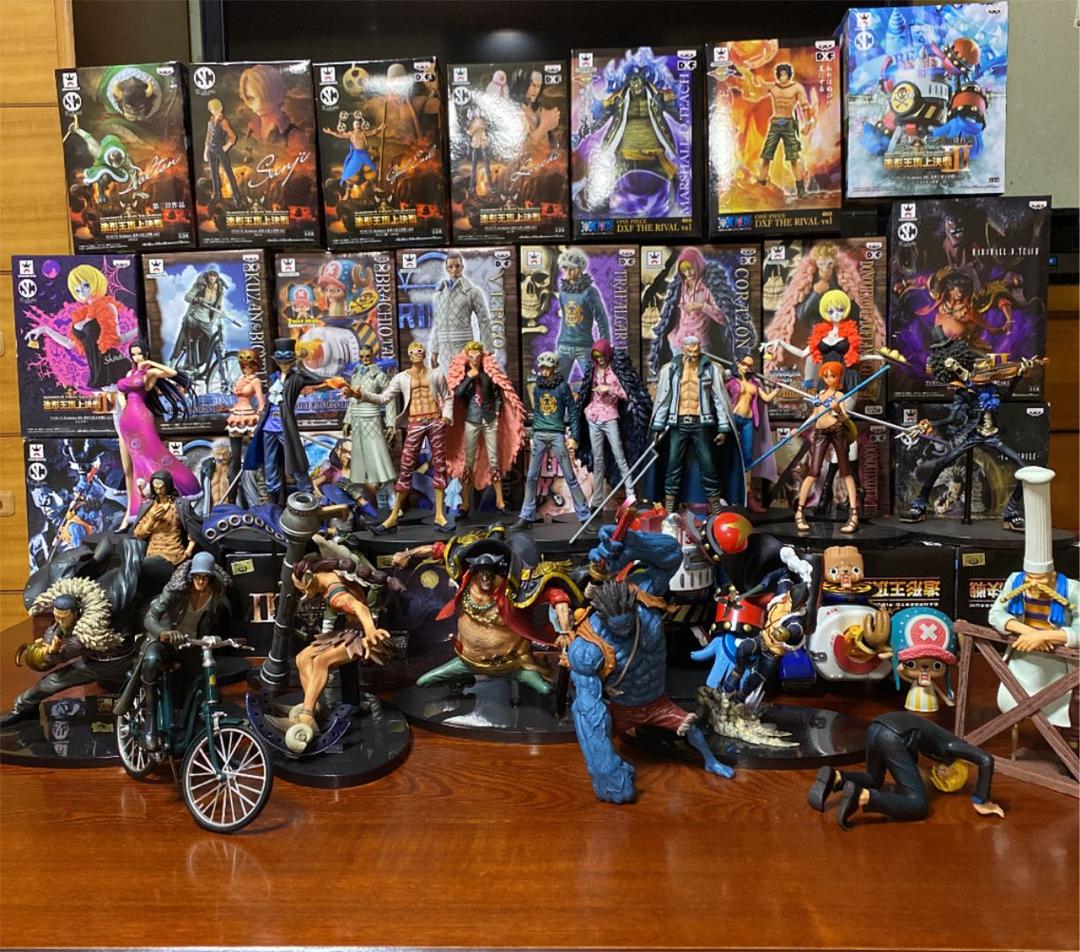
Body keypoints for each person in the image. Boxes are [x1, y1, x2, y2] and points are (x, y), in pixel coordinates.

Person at [807, 712, 1004, 828]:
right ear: (956, 764)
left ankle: (836, 777)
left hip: (876, 726)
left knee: (874, 778)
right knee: (918, 805)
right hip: (893, 735)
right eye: (951, 775)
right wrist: (981, 800)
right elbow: (986, 759)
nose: (943, 775)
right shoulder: (952, 746)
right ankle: (863, 796)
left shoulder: (940, 740)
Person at [1, 578, 134, 727]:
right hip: (94, 661)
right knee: (48, 683)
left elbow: (62, 655)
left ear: (76, 613)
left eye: (63, 617)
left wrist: (49, 652)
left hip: (120, 663)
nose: (59, 620)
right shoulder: (72, 618)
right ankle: (22, 709)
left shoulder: (90, 629)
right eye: (56, 616)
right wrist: (50, 641)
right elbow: (56, 628)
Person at [137, 552, 231, 750]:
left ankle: (201, 726)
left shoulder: (217, 592)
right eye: (197, 576)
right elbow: (150, 618)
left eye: (205, 577)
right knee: (151, 663)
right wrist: (162, 633)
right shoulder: (176, 589)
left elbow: (210, 621)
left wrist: (211, 637)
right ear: (191, 575)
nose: (201, 581)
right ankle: (150, 722)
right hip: (164, 639)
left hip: (190, 642)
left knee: (205, 681)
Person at [356, 340, 452, 532]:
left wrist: (446, 416)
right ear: (409, 355)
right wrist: (362, 395)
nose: (416, 353)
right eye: (412, 351)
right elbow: (384, 398)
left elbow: (447, 396)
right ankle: (393, 516)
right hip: (415, 422)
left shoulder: (435, 374)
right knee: (406, 466)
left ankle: (439, 515)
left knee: (440, 466)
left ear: (424, 353)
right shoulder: (402, 378)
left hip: (434, 420)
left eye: (420, 350)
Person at [244, 338, 346, 506]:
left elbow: (316, 379)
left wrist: (301, 364)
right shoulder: (272, 378)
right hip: (268, 426)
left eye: (287, 360)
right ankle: (274, 505)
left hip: (285, 427)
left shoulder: (297, 378)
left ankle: (307, 495)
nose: (284, 364)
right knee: (269, 466)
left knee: (296, 461)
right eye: (281, 360)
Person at [649, 336, 744, 514]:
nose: (693, 355)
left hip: (701, 423)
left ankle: (715, 506)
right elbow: (664, 398)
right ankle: (670, 508)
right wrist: (658, 425)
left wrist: (723, 428)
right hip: (677, 423)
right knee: (673, 465)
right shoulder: (671, 369)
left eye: (696, 351)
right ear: (683, 349)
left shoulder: (711, 369)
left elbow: (719, 399)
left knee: (708, 464)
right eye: (690, 351)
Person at [115, 341, 199, 520]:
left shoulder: (150, 373)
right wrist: (124, 407)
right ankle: (141, 504)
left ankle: (179, 486)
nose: (137, 357)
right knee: (137, 460)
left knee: (155, 454)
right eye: (133, 354)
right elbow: (121, 392)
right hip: (127, 419)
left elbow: (172, 373)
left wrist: (151, 363)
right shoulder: (130, 373)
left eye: (140, 353)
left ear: (145, 354)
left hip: (141, 417)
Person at [511, 351, 590, 532]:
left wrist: (574, 437)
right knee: (531, 476)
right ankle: (526, 515)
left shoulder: (562, 387)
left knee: (570, 476)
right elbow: (538, 411)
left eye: (548, 368)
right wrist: (534, 432)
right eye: (543, 368)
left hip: (557, 434)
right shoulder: (538, 387)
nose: (545, 371)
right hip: (540, 434)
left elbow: (573, 412)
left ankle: (584, 516)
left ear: (554, 367)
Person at [445, 341, 524, 515]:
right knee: (469, 460)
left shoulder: (488, 374)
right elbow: (458, 394)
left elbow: (497, 395)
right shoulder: (465, 375)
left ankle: (500, 502)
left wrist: (496, 412)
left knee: (494, 459)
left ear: (482, 356)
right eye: (471, 356)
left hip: (489, 419)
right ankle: (465, 503)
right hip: (472, 419)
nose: (474, 359)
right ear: (467, 357)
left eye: (477, 356)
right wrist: (469, 377)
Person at [792, 361, 859, 535]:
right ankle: (799, 512)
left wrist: (838, 410)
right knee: (813, 472)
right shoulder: (820, 395)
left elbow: (844, 419)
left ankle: (854, 515)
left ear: (839, 377)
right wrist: (799, 429)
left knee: (845, 472)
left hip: (837, 431)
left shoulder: (840, 395)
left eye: (833, 376)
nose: (829, 379)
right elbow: (814, 415)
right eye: (826, 376)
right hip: (820, 433)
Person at [738, 62, 814, 197]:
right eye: (780, 74)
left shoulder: (797, 88)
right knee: (767, 155)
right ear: (777, 75)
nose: (782, 77)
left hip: (789, 124)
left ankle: (801, 190)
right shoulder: (772, 87)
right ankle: (761, 184)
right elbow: (756, 92)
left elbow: (805, 106)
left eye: (785, 74)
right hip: (775, 123)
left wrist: (807, 123)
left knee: (793, 158)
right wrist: (749, 80)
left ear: (789, 75)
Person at [342, 343, 396, 502]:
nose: (365, 359)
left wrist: (391, 423)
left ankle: (392, 499)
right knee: (358, 460)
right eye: (362, 356)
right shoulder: (356, 374)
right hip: (357, 420)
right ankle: (360, 498)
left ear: (373, 355)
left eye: (367, 356)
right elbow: (352, 399)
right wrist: (347, 420)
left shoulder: (379, 376)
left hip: (372, 419)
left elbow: (389, 399)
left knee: (379, 458)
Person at [429, 252, 494, 372]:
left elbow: (484, 320)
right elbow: (438, 323)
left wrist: (487, 349)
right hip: (443, 348)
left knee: (466, 379)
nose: (454, 269)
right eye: (450, 266)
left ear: (462, 267)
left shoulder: (472, 292)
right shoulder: (440, 294)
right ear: (446, 269)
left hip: (464, 346)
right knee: (446, 380)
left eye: (457, 266)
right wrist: (434, 350)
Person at [554, 248, 610, 384]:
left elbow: (602, 319)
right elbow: (565, 316)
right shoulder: (563, 292)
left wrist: (604, 345)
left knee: (593, 383)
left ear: (579, 269)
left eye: (571, 269)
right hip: (564, 345)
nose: (567, 272)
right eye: (565, 268)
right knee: (558, 384)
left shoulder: (590, 292)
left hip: (584, 346)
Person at [224, 349, 263, 499]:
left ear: (255, 366)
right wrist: (228, 409)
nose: (247, 369)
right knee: (235, 460)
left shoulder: (256, 381)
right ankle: (232, 497)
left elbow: (261, 402)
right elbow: (239, 398)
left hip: (249, 417)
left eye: (250, 366)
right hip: (236, 417)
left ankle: (260, 494)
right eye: (244, 366)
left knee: (256, 457)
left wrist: (259, 415)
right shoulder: (241, 378)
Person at [204, 98, 241, 206]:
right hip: (211, 150)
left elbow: (233, 137)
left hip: (219, 149)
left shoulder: (223, 122)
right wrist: (205, 151)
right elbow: (208, 136)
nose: (213, 111)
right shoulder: (211, 120)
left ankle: (236, 196)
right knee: (213, 173)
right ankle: (216, 195)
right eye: (211, 109)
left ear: (220, 108)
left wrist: (226, 146)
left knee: (228, 172)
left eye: (215, 109)